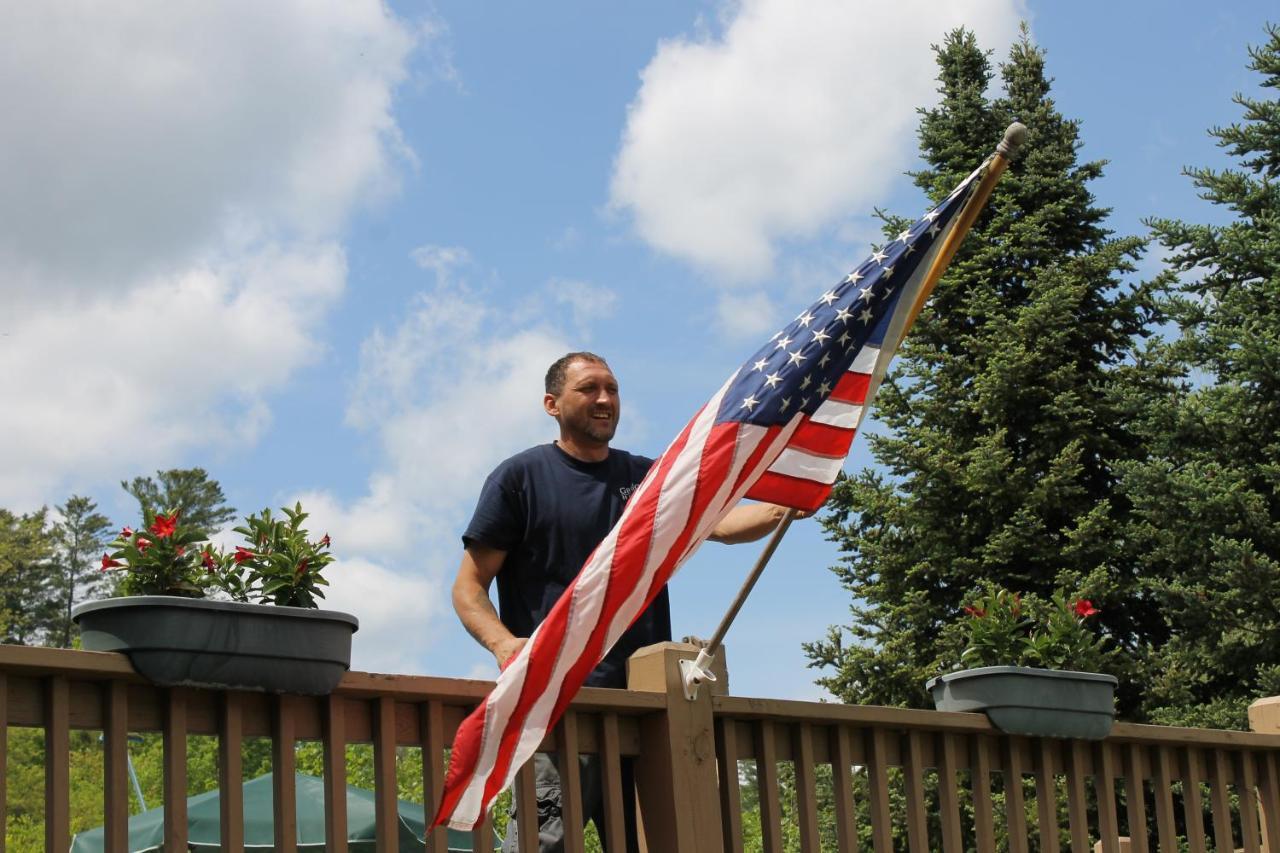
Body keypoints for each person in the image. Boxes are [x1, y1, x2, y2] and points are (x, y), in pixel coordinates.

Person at [453, 351, 798, 853]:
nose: (604, 399)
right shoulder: (520, 478)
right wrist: (505, 646)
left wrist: (783, 506)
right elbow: (468, 588)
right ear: (551, 403)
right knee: (546, 842)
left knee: (665, 842)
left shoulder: (648, 479)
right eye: (589, 388)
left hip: (650, 710)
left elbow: (719, 522)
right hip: (561, 704)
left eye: (612, 389)